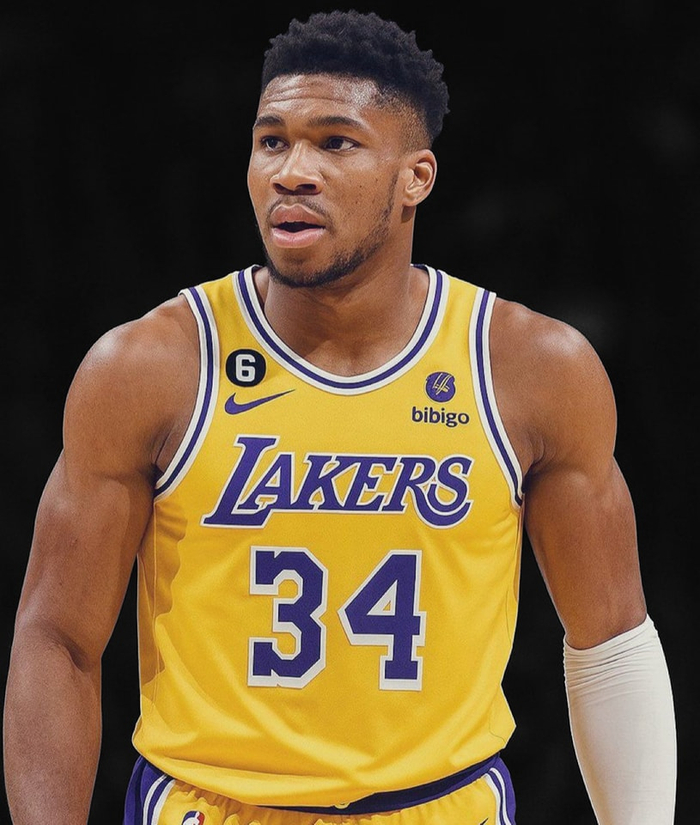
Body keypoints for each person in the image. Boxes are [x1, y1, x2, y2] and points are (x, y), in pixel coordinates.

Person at [4, 10, 676, 825]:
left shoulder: (531, 368)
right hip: (212, 807)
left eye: (335, 142)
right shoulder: (149, 367)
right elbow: (58, 638)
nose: (292, 171)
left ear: (415, 177)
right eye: (272, 141)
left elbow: (610, 639)